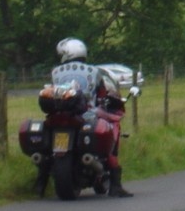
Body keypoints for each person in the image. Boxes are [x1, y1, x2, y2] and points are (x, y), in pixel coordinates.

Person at [54, 37, 134, 198]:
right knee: (111, 130)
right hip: (87, 113)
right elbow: (103, 92)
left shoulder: (56, 72)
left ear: (66, 54)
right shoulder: (93, 71)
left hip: (60, 113)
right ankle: (116, 185)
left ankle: (41, 180)